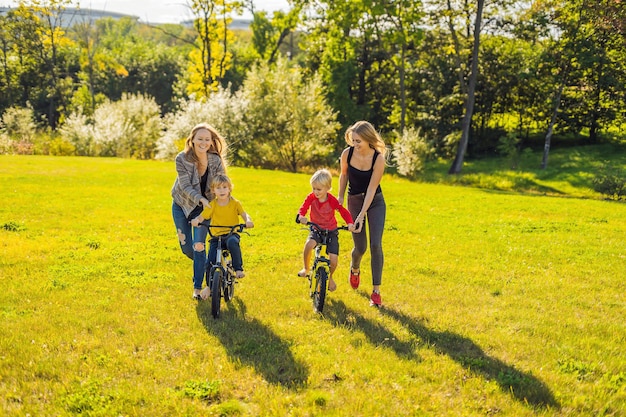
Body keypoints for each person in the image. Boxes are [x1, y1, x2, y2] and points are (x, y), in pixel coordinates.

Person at [171, 123, 227, 300]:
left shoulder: (215, 160)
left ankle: (198, 288)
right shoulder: (182, 159)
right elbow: (185, 186)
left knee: (199, 245)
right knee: (188, 249)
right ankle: (207, 265)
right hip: (182, 205)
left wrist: (223, 201)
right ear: (192, 140)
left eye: (207, 139)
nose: (203, 142)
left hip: (205, 209)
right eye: (200, 139)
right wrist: (200, 198)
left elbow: (222, 182)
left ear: (211, 142)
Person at [337, 121, 387, 307]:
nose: (355, 144)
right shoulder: (347, 154)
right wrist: (340, 197)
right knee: (361, 248)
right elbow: (343, 175)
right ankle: (355, 268)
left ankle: (376, 292)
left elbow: (372, 188)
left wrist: (361, 216)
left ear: (368, 139)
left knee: (375, 245)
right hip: (355, 201)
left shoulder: (378, 159)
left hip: (375, 202)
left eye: (358, 141)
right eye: (353, 140)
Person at [191, 174, 254, 300]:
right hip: (216, 236)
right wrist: (196, 220)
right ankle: (209, 287)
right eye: (218, 188)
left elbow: (243, 213)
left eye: (224, 187)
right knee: (209, 263)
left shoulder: (235, 203)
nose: (222, 190)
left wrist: (248, 220)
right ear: (213, 190)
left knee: (232, 243)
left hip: (231, 233)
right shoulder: (212, 204)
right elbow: (203, 216)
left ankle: (238, 269)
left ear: (230, 189)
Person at [297, 169, 355, 292]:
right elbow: (303, 207)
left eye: (319, 189)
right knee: (309, 245)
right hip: (316, 228)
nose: (315, 192)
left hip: (331, 231)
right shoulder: (311, 197)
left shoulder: (332, 200)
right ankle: (306, 268)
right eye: (314, 188)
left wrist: (350, 223)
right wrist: (301, 216)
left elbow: (343, 211)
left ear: (328, 188)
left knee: (333, 260)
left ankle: (330, 277)